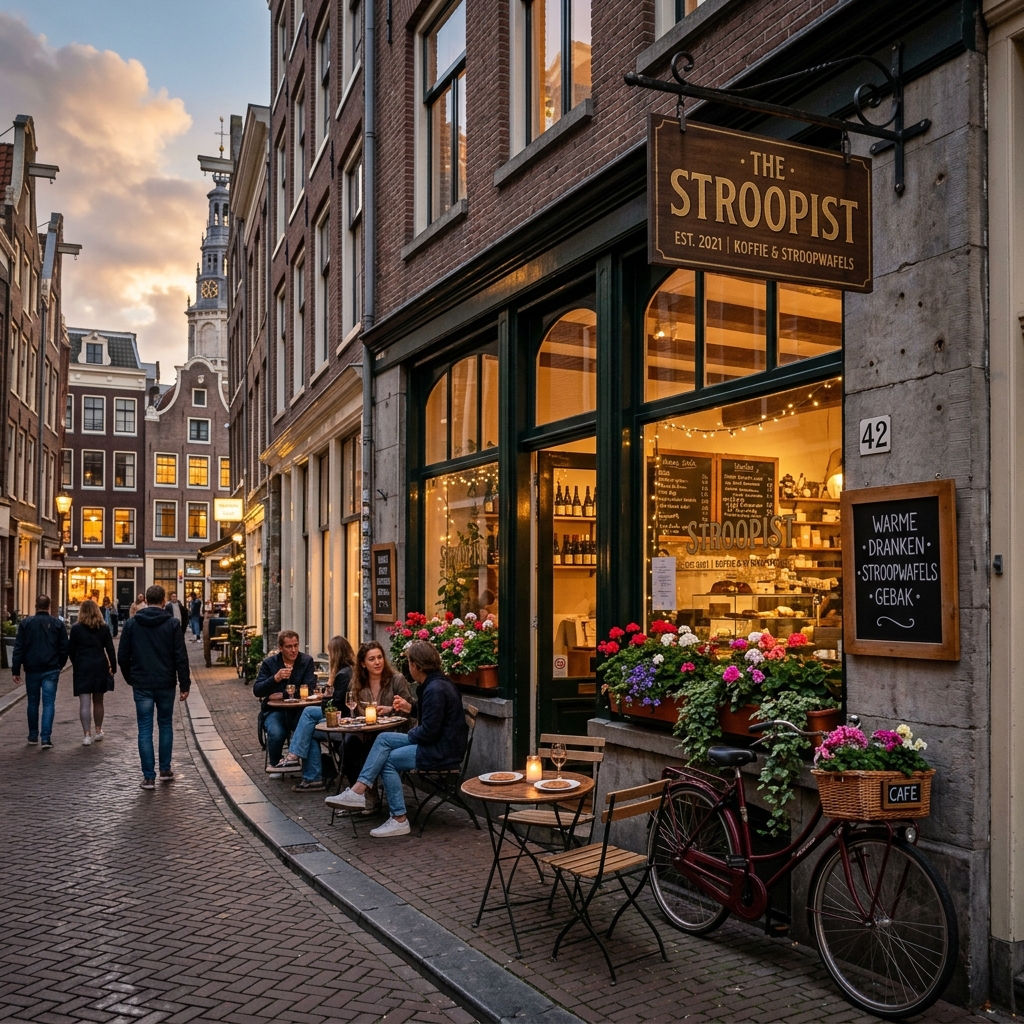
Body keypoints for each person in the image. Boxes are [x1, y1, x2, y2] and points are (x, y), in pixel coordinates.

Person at [326, 641, 467, 838]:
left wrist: (408, 736)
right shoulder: (438, 683)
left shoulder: (434, 689)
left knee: (388, 757)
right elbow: (433, 716)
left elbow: (428, 733)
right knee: (384, 740)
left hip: (440, 750)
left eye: (409, 663)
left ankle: (397, 817)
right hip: (440, 744)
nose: (408, 668)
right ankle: (360, 793)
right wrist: (411, 709)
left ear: (416, 665)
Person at [117, 585, 191, 790]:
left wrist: (130, 677)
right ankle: (165, 769)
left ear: (146, 601)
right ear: (164, 601)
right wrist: (184, 683)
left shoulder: (132, 624)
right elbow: (180, 656)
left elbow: (122, 656)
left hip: (142, 683)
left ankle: (148, 777)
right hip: (166, 682)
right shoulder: (173, 624)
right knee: (165, 724)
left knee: (144, 728)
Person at [279, 635, 358, 791]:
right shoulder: (351, 670)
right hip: (344, 717)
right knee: (310, 732)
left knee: (308, 712)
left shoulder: (342, 674)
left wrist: (324, 700)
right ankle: (312, 778)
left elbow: (335, 706)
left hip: (342, 722)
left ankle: (295, 757)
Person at [252, 630, 316, 773]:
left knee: (307, 730)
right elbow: (257, 690)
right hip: (276, 710)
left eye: (296, 645)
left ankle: (304, 767)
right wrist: (276, 678)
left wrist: (283, 694)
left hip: (300, 710)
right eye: (289, 646)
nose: (293, 650)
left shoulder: (306, 661)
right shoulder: (269, 663)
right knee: (276, 732)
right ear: (280, 648)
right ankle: (275, 764)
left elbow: (309, 688)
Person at [12, 594, 70, 749]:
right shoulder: (57, 624)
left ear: (35, 606)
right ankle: (45, 738)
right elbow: (64, 648)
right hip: (51, 668)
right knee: (49, 703)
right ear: (49, 606)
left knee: (32, 702)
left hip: (32, 668)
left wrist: (16, 669)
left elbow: (19, 648)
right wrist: (60, 665)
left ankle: (32, 736)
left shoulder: (26, 624)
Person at [68, 599, 116, 745]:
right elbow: (110, 649)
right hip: (99, 664)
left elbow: (71, 650)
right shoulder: (104, 627)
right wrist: (113, 666)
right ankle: (98, 730)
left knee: (84, 702)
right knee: (98, 701)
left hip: (82, 665)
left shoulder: (76, 629)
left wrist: (76, 662)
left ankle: (86, 735)